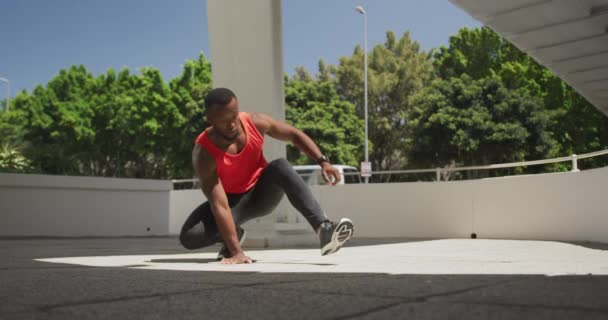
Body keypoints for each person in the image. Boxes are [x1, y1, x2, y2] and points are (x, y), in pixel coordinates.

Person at [179, 87, 355, 264]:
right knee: (189, 236)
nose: (232, 124)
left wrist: (323, 161)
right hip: (231, 203)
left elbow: (293, 135)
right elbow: (220, 205)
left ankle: (324, 228)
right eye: (224, 121)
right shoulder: (203, 153)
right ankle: (234, 236)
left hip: (261, 193)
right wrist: (236, 252)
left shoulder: (255, 122)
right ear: (210, 119)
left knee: (280, 166)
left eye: (234, 116)